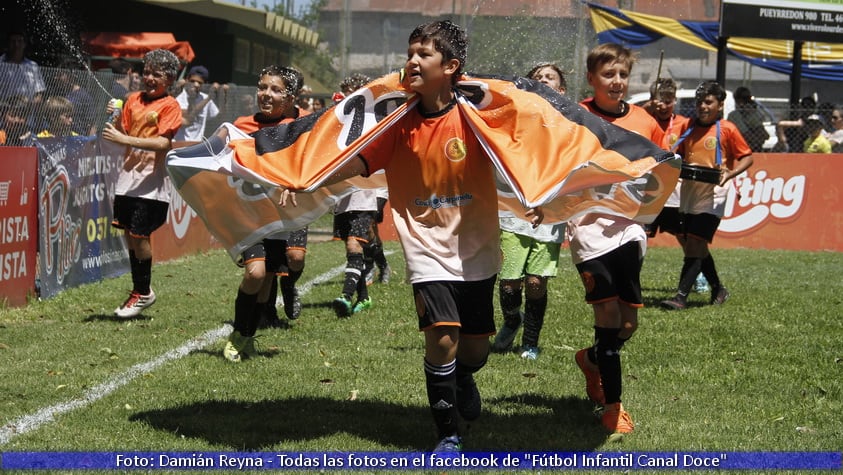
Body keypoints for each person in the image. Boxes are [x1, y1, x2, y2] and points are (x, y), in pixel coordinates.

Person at [275, 20, 543, 451]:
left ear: (452, 66)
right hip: (425, 247)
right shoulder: (397, 122)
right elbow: (359, 161)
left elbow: (518, 155)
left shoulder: (475, 116)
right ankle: (448, 433)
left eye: (424, 54)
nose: (412, 61)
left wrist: (538, 193)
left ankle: (463, 378)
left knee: (474, 351)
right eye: (410, 53)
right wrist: (311, 178)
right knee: (441, 339)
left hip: (475, 246)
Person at [571, 43, 667, 436]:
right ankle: (614, 409)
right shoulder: (574, 116)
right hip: (587, 227)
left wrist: (657, 209)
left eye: (623, 75)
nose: (617, 82)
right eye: (608, 75)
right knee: (607, 316)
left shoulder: (646, 121)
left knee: (628, 323)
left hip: (629, 229)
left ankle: (592, 359)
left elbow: (663, 167)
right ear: (591, 79)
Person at [224, 65, 311, 358]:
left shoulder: (301, 126)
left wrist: (296, 181)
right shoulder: (241, 125)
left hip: (283, 216)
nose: (266, 94)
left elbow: (312, 162)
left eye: (275, 90)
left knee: (266, 278)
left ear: (290, 98)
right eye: (262, 87)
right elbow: (223, 162)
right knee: (255, 273)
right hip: (248, 213)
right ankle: (239, 333)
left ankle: (248, 334)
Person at [491, 62, 568, 361]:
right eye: (537, 78)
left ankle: (531, 342)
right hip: (513, 211)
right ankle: (512, 320)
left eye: (550, 78)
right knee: (509, 282)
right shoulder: (514, 119)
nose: (543, 81)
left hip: (550, 214)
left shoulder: (572, 124)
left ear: (561, 90)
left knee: (536, 281)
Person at [660, 80, 754, 310]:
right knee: (698, 245)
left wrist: (731, 173)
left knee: (694, 241)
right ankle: (719, 288)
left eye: (708, 102)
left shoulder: (728, 129)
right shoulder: (688, 126)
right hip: (690, 191)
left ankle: (680, 297)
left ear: (720, 105)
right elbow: (677, 153)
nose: (703, 106)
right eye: (700, 101)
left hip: (715, 193)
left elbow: (747, 157)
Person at [102, 49, 182, 318]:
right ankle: (140, 291)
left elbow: (163, 142)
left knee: (139, 235)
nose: (149, 77)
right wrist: (114, 117)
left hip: (152, 183)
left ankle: (144, 291)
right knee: (130, 236)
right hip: (127, 180)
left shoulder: (170, 105)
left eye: (156, 74)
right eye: (146, 72)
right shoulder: (132, 99)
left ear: (169, 79)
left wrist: (124, 140)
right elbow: (123, 133)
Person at [330, 73, 390, 317]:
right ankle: (364, 296)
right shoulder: (336, 118)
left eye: (354, 90)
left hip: (370, 188)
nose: (349, 95)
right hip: (344, 192)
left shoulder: (375, 117)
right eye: (346, 90)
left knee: (358, 240)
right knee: (354, 242)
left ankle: (346, 295)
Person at [643, 78, 710, 294]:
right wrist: (646, 109)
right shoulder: (644, 119)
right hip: (647, 190)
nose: (663, 105)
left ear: (675, 100)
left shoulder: (684, 123)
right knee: (638, 234)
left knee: (686, 237)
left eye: (668, 100)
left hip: (674, 191)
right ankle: (629, 277)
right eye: (659, 100)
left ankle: (700, 277)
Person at [174, 65, 226, 142]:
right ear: (187, 80)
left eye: (200, 82)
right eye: (192, 81)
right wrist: (208, 98)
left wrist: (223, 95)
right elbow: (187, 120)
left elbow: (219, 118)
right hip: (178, 143)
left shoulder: (205, 98)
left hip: (197, 144)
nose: (196, 85)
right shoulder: (179, 98)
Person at [0, 31, 45, 104]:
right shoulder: (1, 64)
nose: (16, 45)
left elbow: (39, 92)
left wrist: (32, 104)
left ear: (24, 44)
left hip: (27, 112)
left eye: (19, 41)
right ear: (8, 44)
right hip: (4, 112)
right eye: (13, 41)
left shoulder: (33, 66)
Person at [727, 86, 769, 152]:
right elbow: (746, 134)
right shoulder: (735, 115)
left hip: (753, 143)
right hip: (745, 143)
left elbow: (764, 134)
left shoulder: (754, 113)